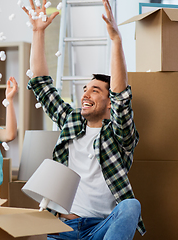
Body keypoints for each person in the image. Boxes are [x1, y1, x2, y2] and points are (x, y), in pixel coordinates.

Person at [22, 0, 146, 239]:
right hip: (64, 227)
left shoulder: (119, 135)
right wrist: (38, 32)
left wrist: (116, 41)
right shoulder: (71, 121)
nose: (85, 94)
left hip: (101, 229)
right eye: (85, 89)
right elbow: (42, 84)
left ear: (109, 102)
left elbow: (121, 97)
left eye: (95, 90)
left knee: (131, 206)